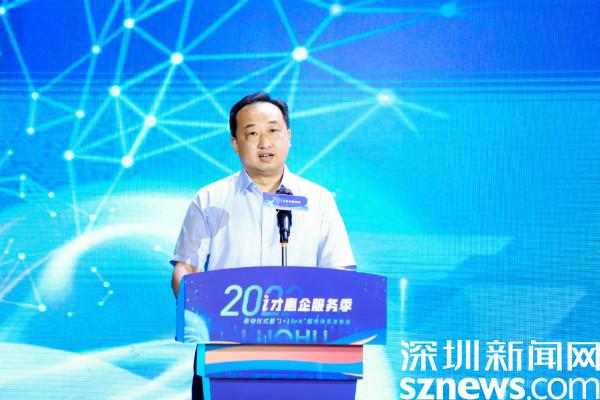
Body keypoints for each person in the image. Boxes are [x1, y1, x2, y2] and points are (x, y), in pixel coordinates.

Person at [170, 92, 355, 399]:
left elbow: (340, 272)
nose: (264, 142)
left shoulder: (319, 200)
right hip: (225, 351)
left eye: (273, 130)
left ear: (289, 137)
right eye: (252, 133)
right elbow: (185, 268)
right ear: (235, 143)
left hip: (303, 352)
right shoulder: (210, 199)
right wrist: (201, 310)